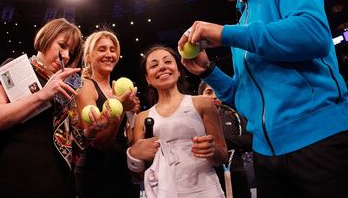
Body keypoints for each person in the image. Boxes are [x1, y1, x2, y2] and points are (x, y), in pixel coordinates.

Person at [178, 0, 348, 197]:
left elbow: (313, 36)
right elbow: (242, 96)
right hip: (266, 157)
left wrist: (225, 33)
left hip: (318, 139)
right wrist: (207, 70)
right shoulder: (240, 25)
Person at [0, 18, 86, 198]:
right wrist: (42, 95)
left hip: (61, 182)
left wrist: (91, 131)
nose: (67, 55)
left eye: (71, 51)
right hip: (18, 180)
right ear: (47, 37)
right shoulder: (14, 67)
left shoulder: (68, 85)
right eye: (62, 45)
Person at [127, 45, 227, 197]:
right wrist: (133, 155)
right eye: (154, 65)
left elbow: (222, 156)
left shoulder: (204, 103)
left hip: (206, 191)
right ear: (148, 79)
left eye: (167, 62)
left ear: (179, 71)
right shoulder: (143, 117)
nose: (162, 67)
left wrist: (212, 152)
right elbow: (139, 175)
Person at [74, 30, 140, 198]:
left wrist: (133, 115)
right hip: (94, 172)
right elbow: (97, 143)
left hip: (121, 169)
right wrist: (121, 107)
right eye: (102, 49)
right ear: (89, 55)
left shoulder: (117, 88)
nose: (109, 54)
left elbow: (130, 139)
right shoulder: (85, 85)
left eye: (112, 49)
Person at [198, 81, 252, 198]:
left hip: (236, 173)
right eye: (209, 92)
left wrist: (221, 141)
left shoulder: (234, 115)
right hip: (207, 175)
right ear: (200, 96)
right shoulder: (194, 119)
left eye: (217, 92)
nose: (214, 96)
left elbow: (250, 141)